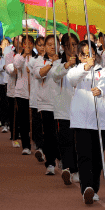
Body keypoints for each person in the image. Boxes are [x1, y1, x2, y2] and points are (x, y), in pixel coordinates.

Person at [66, 40, 105, 205]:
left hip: (99, 120)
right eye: (84, 55)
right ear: (79, 56)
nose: (88, 57)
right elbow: (71, 79)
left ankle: (94, 188)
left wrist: (101, 90)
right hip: (82, 120)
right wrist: (85, 67)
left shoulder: (103, 70)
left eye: (91, 54)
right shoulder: (76, 71)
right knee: (84, 155)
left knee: (97, 158)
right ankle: (86, 188)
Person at [34, 35, 66, 176]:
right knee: (49, 134)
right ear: (45, 47)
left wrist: (59, 62)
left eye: (55, 44)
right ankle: (50, 163)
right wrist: (51, 64)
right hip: (46, 102)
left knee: (61, 134)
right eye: (49, 44)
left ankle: (62, 158)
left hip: (62, 102)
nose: (52, 47)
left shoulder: (64, 60)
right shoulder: (40, 60)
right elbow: (39, 74)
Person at [55, 33, 79, 185]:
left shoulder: (83, 62)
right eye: (69, 45)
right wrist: (67, 65)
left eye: (75, 45)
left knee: (77, 141)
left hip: (80, 109)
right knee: (66, 140)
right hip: (63, 110)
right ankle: (68, 167)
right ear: (63, 47)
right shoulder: (58, 63)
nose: (72, 48)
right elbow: (55, 75)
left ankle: (74, 169)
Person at [9, 35, 33, 155]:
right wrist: (24, 55)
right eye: (25, 44)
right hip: (21, 93)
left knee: (34, 120)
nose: (28, 46)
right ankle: (26, 145)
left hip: (33, 93)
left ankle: (37, 143)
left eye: (30, 44)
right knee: (23, 120)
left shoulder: (36, 57)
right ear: (23, 45)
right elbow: (17, 65)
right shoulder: (18, 56)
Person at [29, 36, 46, 161]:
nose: (42, 47)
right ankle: (40, 147)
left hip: (49, 100)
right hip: (36, 98)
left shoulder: (54, 59)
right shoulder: (32, 61)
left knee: (48, 127)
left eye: (44, 44)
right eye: (39, 45)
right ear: (36, 46)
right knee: (37, 125)